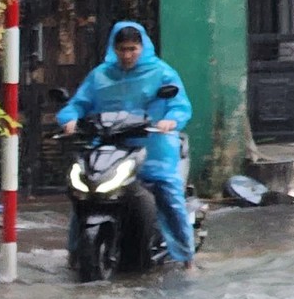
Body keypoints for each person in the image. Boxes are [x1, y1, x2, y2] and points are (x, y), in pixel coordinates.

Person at [56, 22, 196, 269]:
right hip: (110, 146)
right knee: (84, 193)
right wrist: (70, 119)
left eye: (132, 49)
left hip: (153, 146)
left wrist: (170, 120)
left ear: (142, 47)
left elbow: (179, 105)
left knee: (169, 194)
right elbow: (78, 103)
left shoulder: (162, 73)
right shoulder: (100, 75)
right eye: (122, 49)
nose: (127, 55)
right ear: (114, 48)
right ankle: (74, 253)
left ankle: (187, 258)